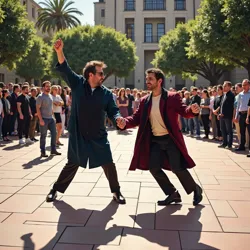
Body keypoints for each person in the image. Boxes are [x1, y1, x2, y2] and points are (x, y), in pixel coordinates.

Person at [46, 39, 126, 205]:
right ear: (91, 75)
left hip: (98, 134)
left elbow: (113, 109)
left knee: (108, 162)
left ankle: (116, 192)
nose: (103, 76)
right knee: (72, 163)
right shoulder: (77, 84)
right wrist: (59, 52)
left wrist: (117, 118)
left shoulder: (105, 93)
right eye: (100, 73)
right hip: (79, 134)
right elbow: (65, 69)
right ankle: (55, 189)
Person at [117, 68, 203, 206]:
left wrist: (192, 111)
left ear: (159, 81)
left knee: (177, 168)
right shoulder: (145, 101)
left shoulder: (172, 97)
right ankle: (172, 193)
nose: (147, 81)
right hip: (155, 140)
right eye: (147, 79)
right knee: (153, 167)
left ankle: (195, 189)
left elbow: (184, 111)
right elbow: (136, 118)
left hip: (171, 140)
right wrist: (124, 122)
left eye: (150, 79)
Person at [36, 81, 61, 157]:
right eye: (47, 86)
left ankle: (53, 150)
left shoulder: (50, 96)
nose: (48, 88)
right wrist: (40, 120)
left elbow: (51, 108)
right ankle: (43, 151)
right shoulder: (40, 97)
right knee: (43, 135)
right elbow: (38, 109)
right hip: (44, 119)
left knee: (55, 133)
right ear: (43, 87)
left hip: (51, 119)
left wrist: (53, 117)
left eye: (49, 86)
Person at [218, 81, 235, 149]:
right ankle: (224, 143)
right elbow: (221, 105)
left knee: (229, 130)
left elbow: (230, 107)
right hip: (222, 115)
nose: (223, 87)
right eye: (223, 85)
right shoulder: (224, 94)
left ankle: (229, 144)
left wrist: (224, 113)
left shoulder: (231, 95)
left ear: (229, 87)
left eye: (225, 86)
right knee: (223, 129)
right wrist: (220, 113)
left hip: (227, 116)